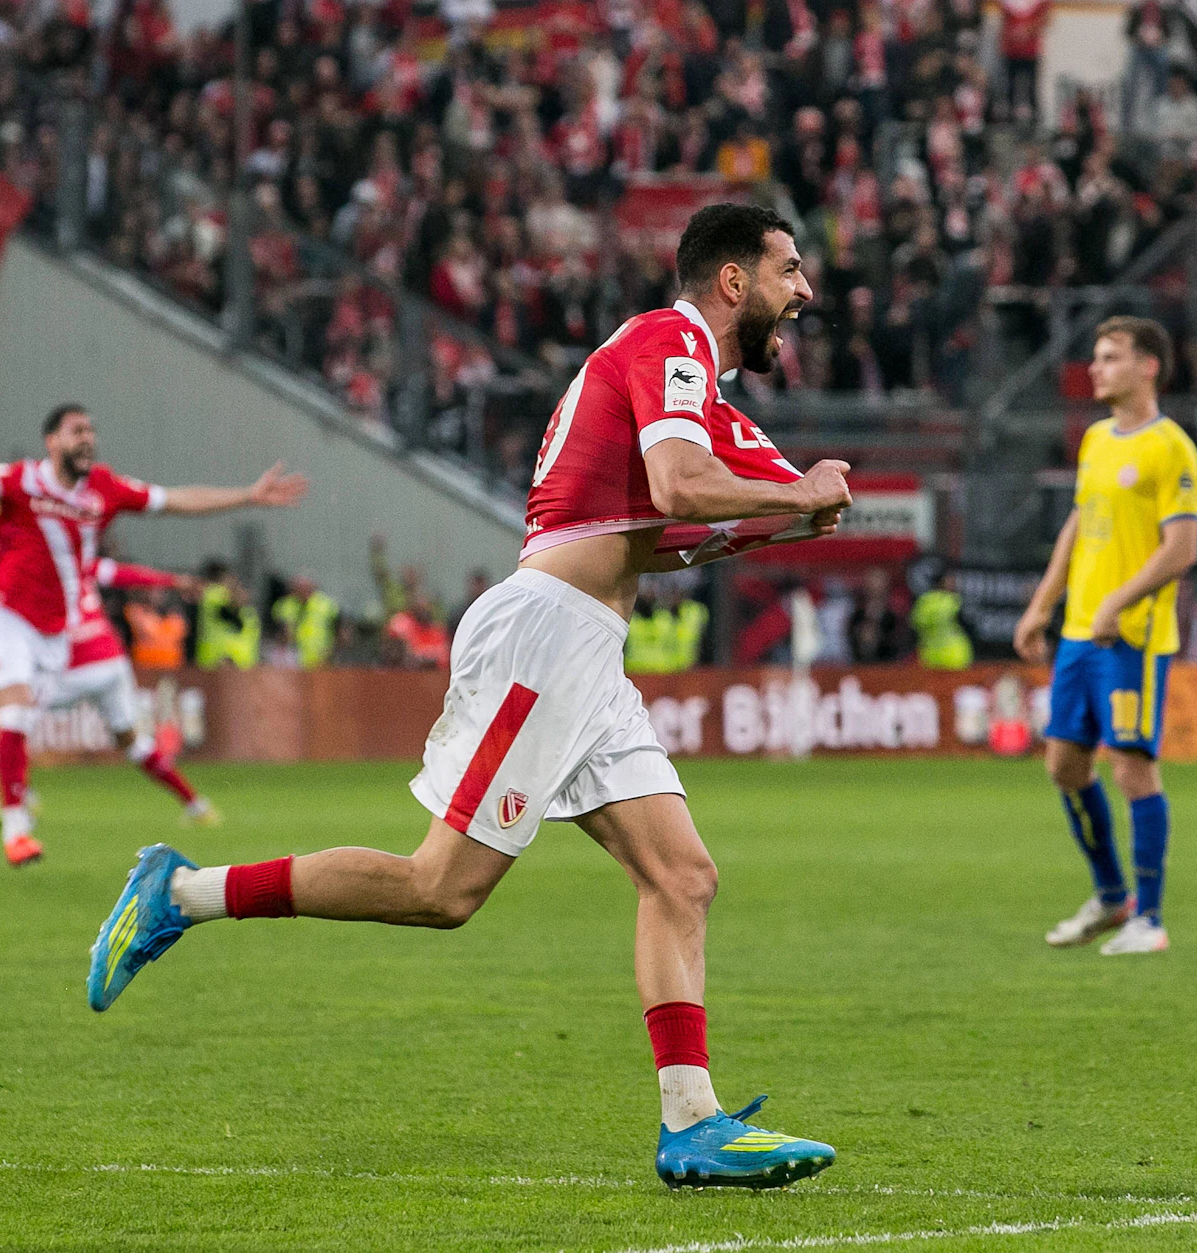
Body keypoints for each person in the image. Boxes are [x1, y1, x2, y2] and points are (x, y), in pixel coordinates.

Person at [86, 204, 851, 1190]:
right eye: (789, 271)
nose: (804, 294)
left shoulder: (691, 381)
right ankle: (181, 891)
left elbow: (675, 520)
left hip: (587, 644)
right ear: (733, 280)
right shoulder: (670, 340)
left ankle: (690, 1121)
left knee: (682, 876)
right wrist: (796, 497)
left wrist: (800, 507)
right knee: (439, 889)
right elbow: (677, 485)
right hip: (547, 636)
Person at [0, 405, 306, 866]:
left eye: (92, 430)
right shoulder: (22, 480)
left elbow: (175, 500)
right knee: (13, 717)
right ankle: (18, 833)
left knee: (4, 742)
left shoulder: (104, 489)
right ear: (51, 441)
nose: (87, 438)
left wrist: (247, 496)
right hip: (4, 616)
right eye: (77, 430)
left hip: (55, 635)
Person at [1013, 317, 1197, 956]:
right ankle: (1111, 895)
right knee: (1064, 766)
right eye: (1096, 357)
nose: (1095, 368)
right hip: (1078, 634)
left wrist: (1119, 602)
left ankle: (1149, 919)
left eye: (1110, 357)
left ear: (1148, 366)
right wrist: (1041, 606)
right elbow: (1079, 524)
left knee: (1131, 769)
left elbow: (1181, 549)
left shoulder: (1171, 447)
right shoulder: (1095, 439)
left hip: (1132, 637)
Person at [0, 559, 222, 827]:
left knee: (3, 728)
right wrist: (174, 580)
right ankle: (197, 806)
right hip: (112, 662)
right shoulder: (79, 558)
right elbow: (121, 573)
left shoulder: (35, 571)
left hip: (73, 668)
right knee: (133, 743)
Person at [195, 561, 261, 670]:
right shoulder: (214, 596)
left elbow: (251, 642)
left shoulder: (250, 614)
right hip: (216, 662)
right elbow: (224, 611)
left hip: (244, 667)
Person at [273, 572, 341, 668]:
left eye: (305, 588)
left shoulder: (326, 605)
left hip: (321, 660)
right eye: (298, 588)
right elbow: (277, 631)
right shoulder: (284, 605)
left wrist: (332, 651)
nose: (302, 592)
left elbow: (340, 629)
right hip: (293, 660)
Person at [910, 570, 973, 670]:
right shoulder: (953, 601)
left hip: (929, 655)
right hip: (955, 655)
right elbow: (968, 624)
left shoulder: (923, 601)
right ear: (941, 581)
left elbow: (914, 625)